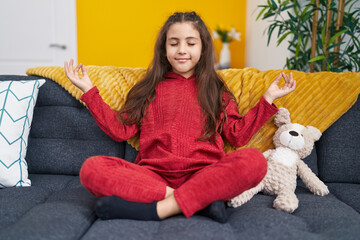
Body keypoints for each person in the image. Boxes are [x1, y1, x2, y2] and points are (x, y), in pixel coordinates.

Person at [64, 11, 296, 223]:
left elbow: (237, 136)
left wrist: (268, 98)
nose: (182, 50)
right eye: (173, 43)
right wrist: (88, 90)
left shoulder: (216, 90)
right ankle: (199, 202)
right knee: (91, 169)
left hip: (205, 173)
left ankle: (157, 210)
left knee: (254, 162)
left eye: (190, 43)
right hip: (154, 177)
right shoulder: (148, 88)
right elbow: (120, 130)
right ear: (164, 50)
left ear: (203, 48)